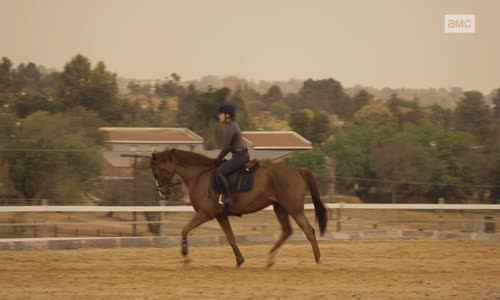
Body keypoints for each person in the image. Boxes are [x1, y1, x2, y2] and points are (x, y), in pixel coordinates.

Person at [215, 103, 250, 206]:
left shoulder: (230, 127)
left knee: (219, 172)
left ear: (227, 115)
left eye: (220, 114)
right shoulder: (231, 125)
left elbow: (226, 147)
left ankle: (229, 198)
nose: (218, 116)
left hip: (240, 156)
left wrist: (218, 159)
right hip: (239, 155)